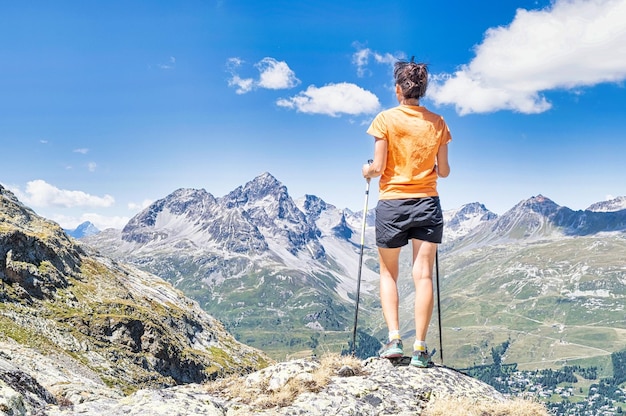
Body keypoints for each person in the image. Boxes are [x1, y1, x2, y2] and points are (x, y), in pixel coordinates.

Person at [362, 58, 451, 368]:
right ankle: (421, 348)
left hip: (393, 204)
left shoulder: (385, 120)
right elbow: (445, 171)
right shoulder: (438, 122)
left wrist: (366, 171)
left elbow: (379, 167)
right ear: (422, 90)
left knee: (389, 273)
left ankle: (394, 339)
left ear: (398, 89)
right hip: (427, 202)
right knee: (423, 274)